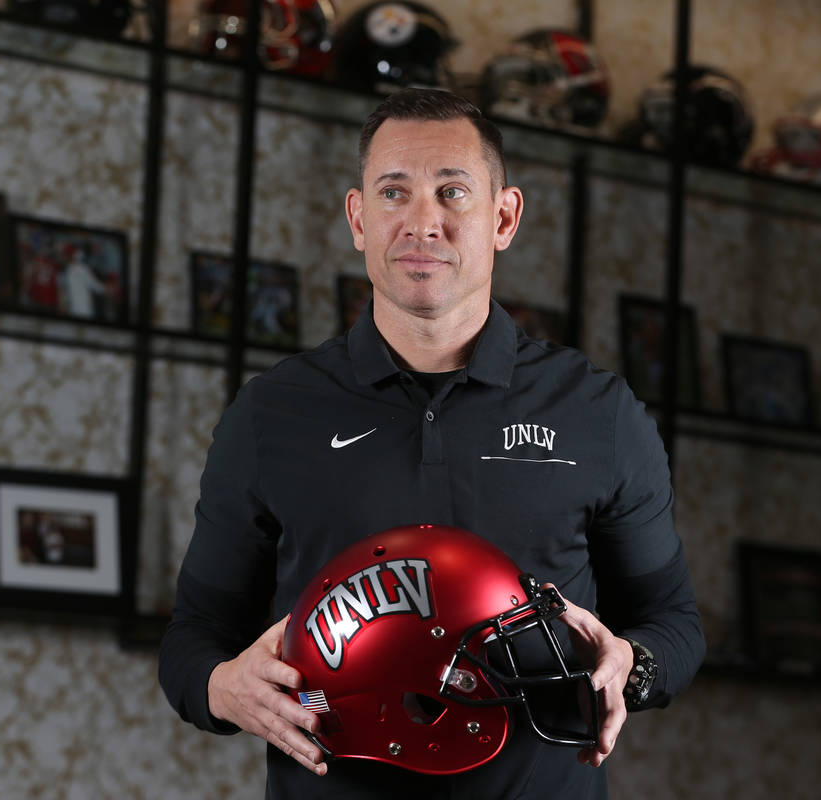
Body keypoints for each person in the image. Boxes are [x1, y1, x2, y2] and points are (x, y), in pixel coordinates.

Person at [159, 87, 705, 800]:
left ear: (503, 217)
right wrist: (223, 687)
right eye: (394, 192)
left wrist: (631, 664)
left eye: (453, 192)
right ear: (358, 217)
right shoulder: (271, 413)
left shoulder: (598, 413)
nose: (423, 222)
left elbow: (675, 625)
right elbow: (192, 637)